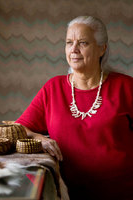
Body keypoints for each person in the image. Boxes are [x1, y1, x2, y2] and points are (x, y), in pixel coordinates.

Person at [16, 16, 133, 200]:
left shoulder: (126, 87)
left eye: (83, 43)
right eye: (69, 42)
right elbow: (19, 128)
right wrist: (41, 139)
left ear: (102, 48)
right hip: (67, 193)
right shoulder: (52, 88)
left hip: (122, 192)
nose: (74, 49)